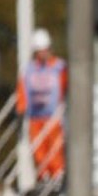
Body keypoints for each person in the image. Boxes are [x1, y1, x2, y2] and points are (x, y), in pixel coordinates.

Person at [16, 27, 68, 183]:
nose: (42, 54)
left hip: (53, 115)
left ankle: (58, 173)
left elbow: (68, 86)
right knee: (38, 148)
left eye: (44, 50)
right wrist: (20, 109)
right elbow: (22, 91)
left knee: (55, 146)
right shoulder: (28, 70)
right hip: (35, 116)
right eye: (39, 51)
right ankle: (43, 175)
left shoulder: (60, 67)